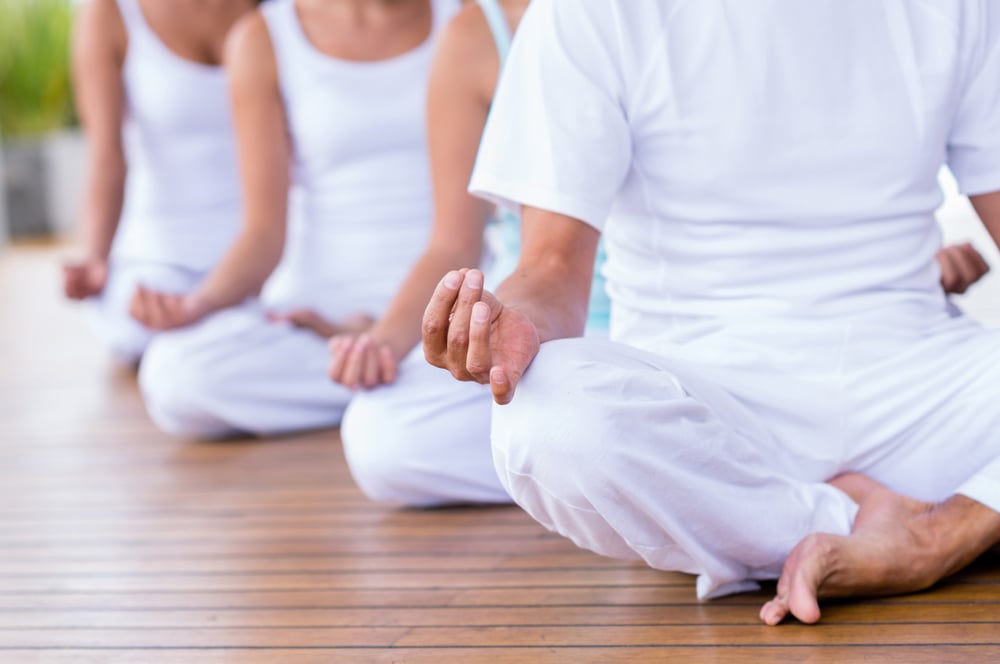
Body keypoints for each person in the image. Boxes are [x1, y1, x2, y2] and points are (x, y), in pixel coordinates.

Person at [423, 0, 1000, 625]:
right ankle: (873, 519)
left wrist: (950, 535)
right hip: (713, 412)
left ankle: (928, 536)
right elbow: (554, 266)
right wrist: (512, 324)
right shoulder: (584, 12)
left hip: (921, 391)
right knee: (548, 418)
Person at [330, 0, 611, 506]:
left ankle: (578, 473)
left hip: (643, 320)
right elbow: (452, 243)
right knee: (381, 439)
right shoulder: (472, 38)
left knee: (587, 420)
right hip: (525, 317)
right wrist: (382, 341)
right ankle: (583, 480)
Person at [135, 0, 459, 437]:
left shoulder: (467, 19)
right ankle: (379, 375)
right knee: (174, 374)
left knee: (466, 356)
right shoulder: (264, 37)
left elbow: (464, 234)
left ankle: (384, 369)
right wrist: (198, 303)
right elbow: (262, 232)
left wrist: (385, 332)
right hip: (319, 323)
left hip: (444, 310)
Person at [63, 0, 255, 364]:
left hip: (267, 255)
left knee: (283, 316)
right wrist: (94, 256)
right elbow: (106, 158)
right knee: (141, 327)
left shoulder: (284, 12)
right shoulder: (111, 13)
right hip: (161, 262)